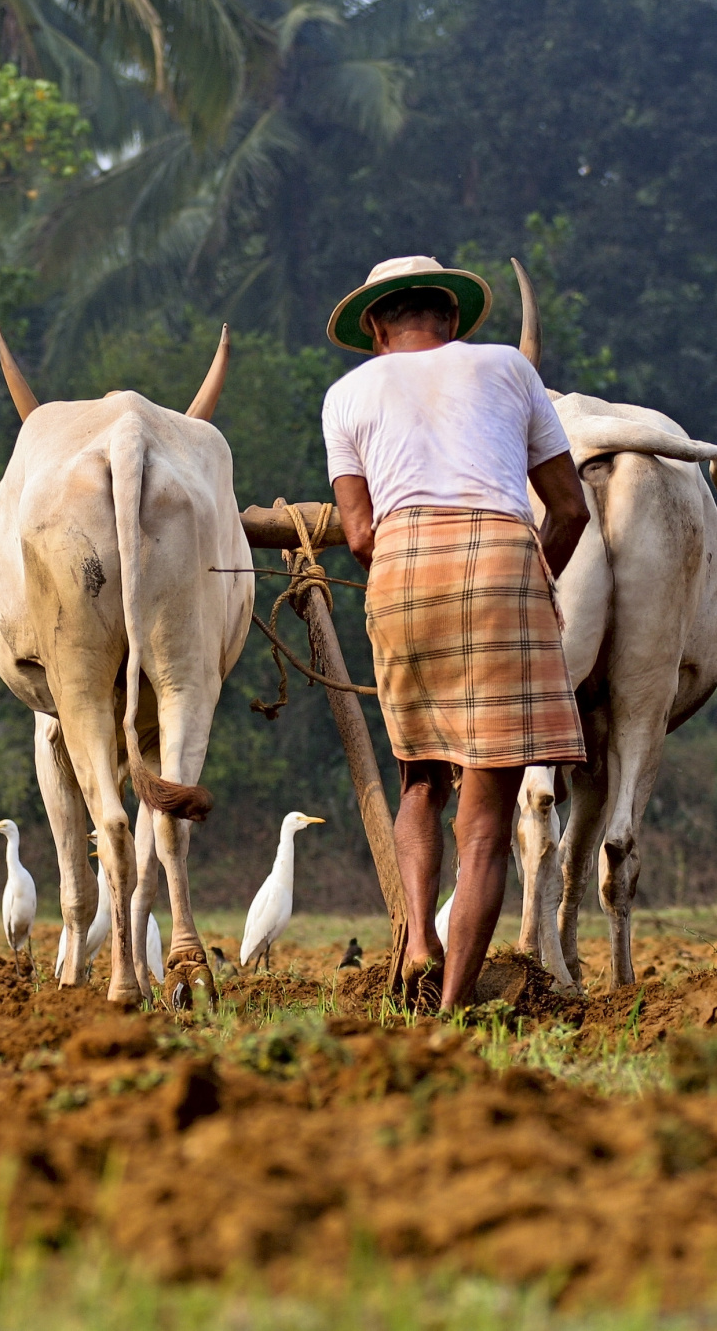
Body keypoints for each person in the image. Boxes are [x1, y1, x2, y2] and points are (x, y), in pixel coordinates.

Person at [322, 255, 589, 1011]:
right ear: (450, 317)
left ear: (375, 326)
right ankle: (451, 1012)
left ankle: (417, 938)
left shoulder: (346, 395)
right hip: (504, 566)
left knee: (420, 774)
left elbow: (360, 532)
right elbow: (569, 510)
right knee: (485, 827)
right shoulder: (508, 366)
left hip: (403, 574)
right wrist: (529, 578)